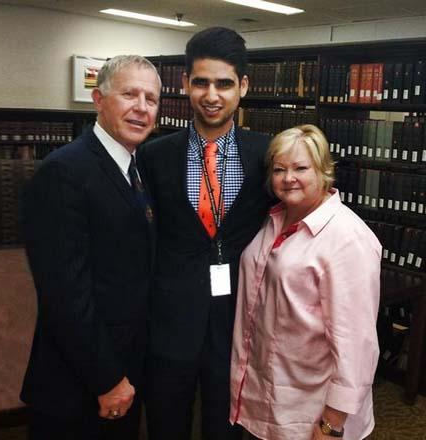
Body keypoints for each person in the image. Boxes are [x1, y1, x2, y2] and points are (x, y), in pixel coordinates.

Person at [20, 55, 160, 440]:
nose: (141, 108)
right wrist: (108, 378)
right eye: (129, 95)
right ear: (98, 100)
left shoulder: (136, 168)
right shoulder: (64, 172)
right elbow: (65, 294)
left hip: (124, 372)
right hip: (80, 383)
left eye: (151, 98)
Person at [141, 27, 271, 440]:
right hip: (169, 322)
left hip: (236, 324)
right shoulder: (153, 155)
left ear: (243, 87)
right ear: (185, 84)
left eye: (224, 84)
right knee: (166, 424)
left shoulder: (267, 154)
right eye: (201, 82)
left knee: (227, 428)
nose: (212, 95)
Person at [230, 124, 381, 440]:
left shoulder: (347, 239)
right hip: (269, 396)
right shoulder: (273, 218)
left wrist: (332, 423)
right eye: (280, 169)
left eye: (301, 168)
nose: (288, 178)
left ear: (324, 171)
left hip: (312, 411)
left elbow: (356, 344)